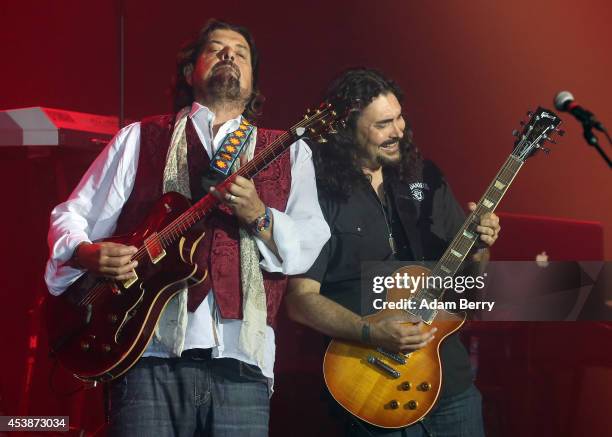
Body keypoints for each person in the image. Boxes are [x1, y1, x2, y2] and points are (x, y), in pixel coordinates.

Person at [44, 19, 330, 437]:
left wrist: (259, 214)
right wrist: (89, 253)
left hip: (241, 362)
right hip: (146, 353)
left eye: (241, 51)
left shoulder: (289, 151)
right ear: (188, 72)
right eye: (215, 49)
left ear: (253, 80)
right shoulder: (139, 138)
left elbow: (308, 244)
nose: (229, 55)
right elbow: (71, 216)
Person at [285, 68, 501, 437]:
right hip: (371, 387)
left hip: (452, 387)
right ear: (347, 131)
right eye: (383, 124)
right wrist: (371, 332)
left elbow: (471, 292)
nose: (398, 131)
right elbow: (300, 300)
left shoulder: (427, 179)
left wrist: (481, 249)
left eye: (400, 117)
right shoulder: (320, 192)